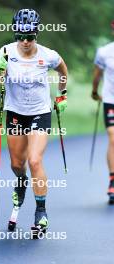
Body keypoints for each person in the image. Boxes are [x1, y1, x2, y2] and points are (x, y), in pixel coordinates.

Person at [0, 9, 67, 232]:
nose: (25, 41)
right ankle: (21, 182)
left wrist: (62, 94)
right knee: (17, 165)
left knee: (34, 160)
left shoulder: (47, 55)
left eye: (30, 36)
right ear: (15, 34)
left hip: (39, 113)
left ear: (36, 34)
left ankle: (40, 212)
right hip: (14, 112)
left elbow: (63, 68)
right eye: (20, 36)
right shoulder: (6, 52)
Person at [92, 20, 114, 204]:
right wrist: (94, 91)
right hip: (110, 99)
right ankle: (113, 180)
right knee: (113, 137)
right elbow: (97, 74)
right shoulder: (104, 52)